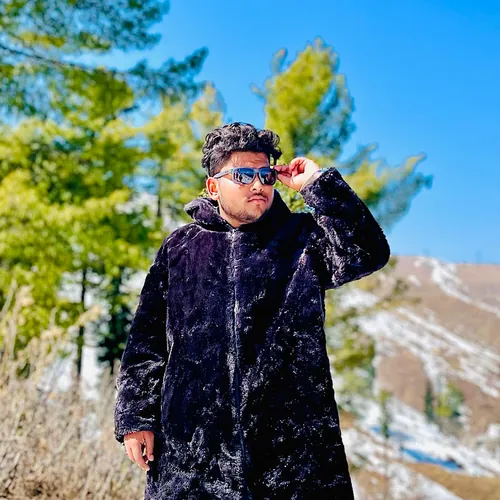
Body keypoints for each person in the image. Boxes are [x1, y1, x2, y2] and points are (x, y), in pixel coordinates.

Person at [114, 122, 390, 499]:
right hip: (192, 459)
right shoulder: (179, 248)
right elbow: (146, 342)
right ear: (213, 186)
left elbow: (368, 252)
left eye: (265, 175)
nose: (258, 184)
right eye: (243, 175)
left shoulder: (303, 239)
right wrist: (135, 418)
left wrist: (317, 185)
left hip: (292, 460)